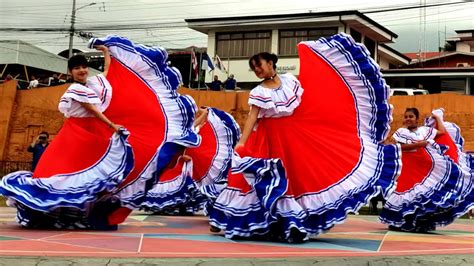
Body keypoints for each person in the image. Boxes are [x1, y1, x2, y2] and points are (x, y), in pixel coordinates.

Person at [209, 34, 401, 242]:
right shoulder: (257, 91)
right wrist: (243, 142)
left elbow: (309, 98)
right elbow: (252, 117)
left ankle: (287, 221)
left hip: (294, 137)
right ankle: (226, 219)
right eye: (253, 68)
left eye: (259, 65)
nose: (257, 70)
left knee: (299, 177)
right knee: (258, 177)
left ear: (271, 62)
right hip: (269, 139)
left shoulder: (290, 80)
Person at [0, 36, 200, 230]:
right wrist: (113, 126)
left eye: (84, 67)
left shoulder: (93, 85)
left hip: (93, 135)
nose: (82, 70)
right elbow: (93, 111)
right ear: (70, 72)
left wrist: (107, 53)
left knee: (90, 178)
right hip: (77, 134)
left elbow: (107, 74)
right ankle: (59, 215)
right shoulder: (75, 89)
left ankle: (81, 215)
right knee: (68, 175)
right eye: (77, 68)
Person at [380, 108, 470, 232]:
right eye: (406, 117)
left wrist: (437, 117)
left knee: (424, 194)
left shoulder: (424, 130)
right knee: (408, 194)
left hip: (424, 166)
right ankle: (401, 222)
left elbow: (442, 132)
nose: (408, 119)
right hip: (409, 167)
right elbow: (399, 146)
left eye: (411, 116)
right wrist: (419, 144)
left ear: (417, 119)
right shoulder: (401, 132)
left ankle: (421, 223)